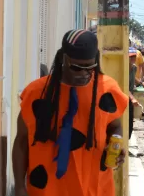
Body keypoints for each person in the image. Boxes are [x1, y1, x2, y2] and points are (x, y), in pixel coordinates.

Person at [12, 30, 128, 196]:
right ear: (63, 59)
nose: (84, 73)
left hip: (95, 188)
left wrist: (115, 145)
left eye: (90, 67)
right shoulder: (37, 92)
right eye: (76, 67)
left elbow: (115, 126)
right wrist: (19, 187)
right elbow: (21, 141)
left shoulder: (107, 90)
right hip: (46, 190)